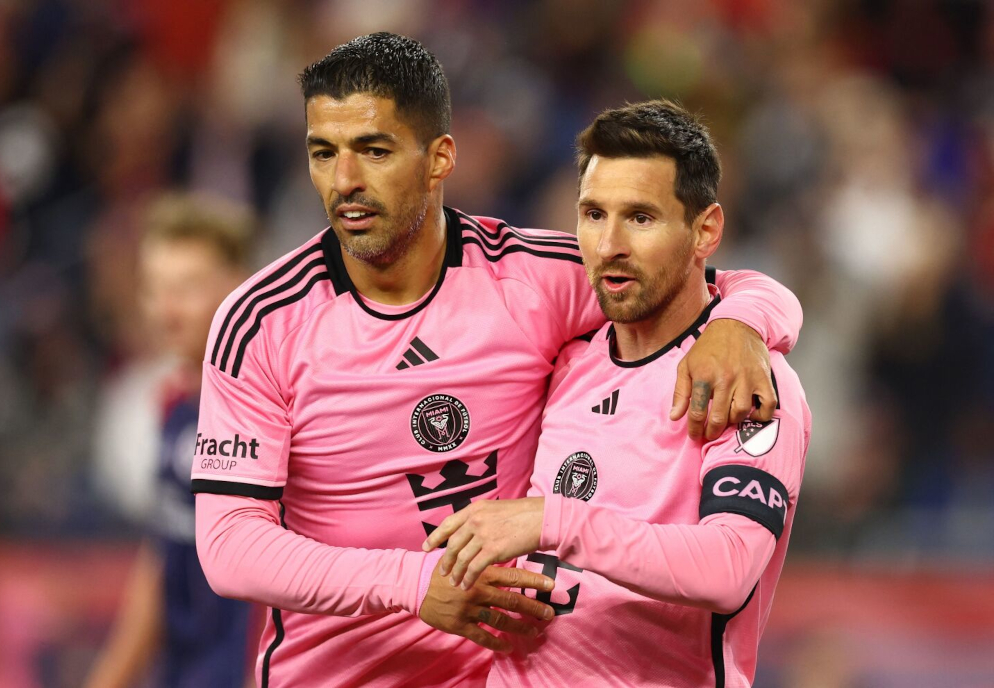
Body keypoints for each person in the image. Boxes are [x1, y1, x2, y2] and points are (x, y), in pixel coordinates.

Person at [191, 33, 803, 688]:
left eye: (374, 150)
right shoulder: (261, 323)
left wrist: (744, 321)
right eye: (323, 153)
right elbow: (229, 547)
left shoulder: (536, 279)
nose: (345, 182)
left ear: (438, 158)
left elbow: (686, 279)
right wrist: (414, 583)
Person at [423, 100, 811, 687]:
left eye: (641, 218)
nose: (609, 245)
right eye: (594, 214)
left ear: (705, 230)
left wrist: (552, 522)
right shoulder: (566, 358)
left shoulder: (745, 378)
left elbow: (728, 568)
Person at [85, 194, 257, 688]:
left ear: (240, 285)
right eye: (154, 288)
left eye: (186, 287)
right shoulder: (173, 404)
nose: (166, 309)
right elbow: (161, 553)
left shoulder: (268, 410)